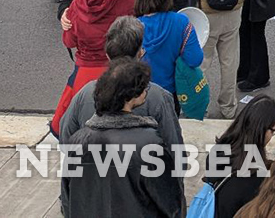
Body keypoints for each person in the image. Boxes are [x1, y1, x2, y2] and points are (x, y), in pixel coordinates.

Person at [60, 58, 183, 218]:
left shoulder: (78, 140)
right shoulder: (149, 145)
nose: (146, 89)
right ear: (129, 97)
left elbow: (68, 198)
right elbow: (170, 202)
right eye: (142, 86)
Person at [58, 16, 183, 149]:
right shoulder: (159, 97)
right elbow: (175, 150)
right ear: (140, 53)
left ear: (107, 54)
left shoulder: (85, 93)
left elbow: (66, 140)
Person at [53, 0, 139, 133]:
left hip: (84, 70)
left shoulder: (77, 4)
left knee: (68, 120)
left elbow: (69, 42)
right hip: (117, 68)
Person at [205, 94, 275, 218]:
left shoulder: (217, 151)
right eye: (273, 130)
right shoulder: (256, 177)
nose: (273, 135)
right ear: (261, 129)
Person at [133, 0, 203, 100]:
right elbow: (195, 59)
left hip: (138, 94)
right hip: (170, 93)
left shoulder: (133, 26)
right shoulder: (182, 22)